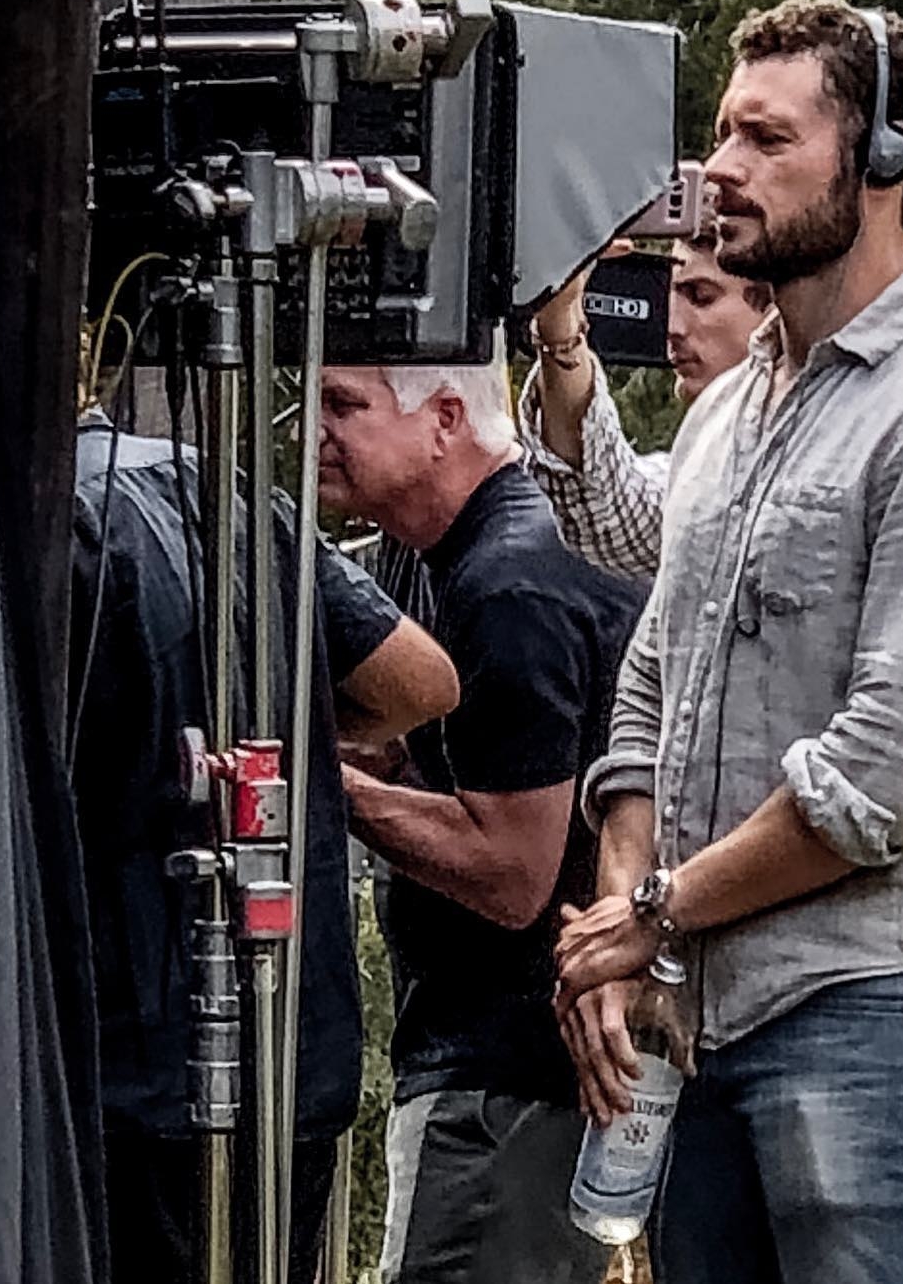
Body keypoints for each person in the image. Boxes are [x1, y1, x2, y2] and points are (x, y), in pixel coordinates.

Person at [554, 0, 903, 1284]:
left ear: (885, 161)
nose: (720, 167)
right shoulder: (727, 412)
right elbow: (650, 691)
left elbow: (884, 779)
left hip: (878, 1012)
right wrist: (622, 919)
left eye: (768, 139)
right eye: (724, 131)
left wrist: (651, 913)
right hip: (701, 1022)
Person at [70, 405, 458, 1284]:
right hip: (290, 1062)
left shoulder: (47, 524)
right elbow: (418, 683)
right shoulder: (229, 493)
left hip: (130, 1073)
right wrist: (299, 728)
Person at [316, 362, 645, 1284]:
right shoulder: (435, 556)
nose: (316, 430)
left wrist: (321, 785)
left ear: (446, 418)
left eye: (346, 404)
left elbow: (512, 874)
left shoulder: (510, 584)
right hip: (499, 1075)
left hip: (510, 1089)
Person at [518, 222, 770, 578]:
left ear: (775, 309)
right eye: (666, 296)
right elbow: (609, 509)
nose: (672, 327)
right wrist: (560, 320)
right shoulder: (707, 469)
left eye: (701, 296)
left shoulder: (829, 441)